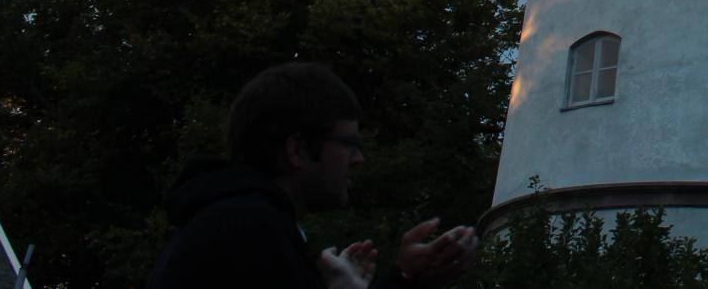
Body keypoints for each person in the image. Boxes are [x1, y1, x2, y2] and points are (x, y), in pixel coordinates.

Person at [148, 62, 480, 289]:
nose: (359, 159)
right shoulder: (250, 233)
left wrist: (408, 278)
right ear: (298, 150)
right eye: (349, 144)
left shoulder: (231, 226)